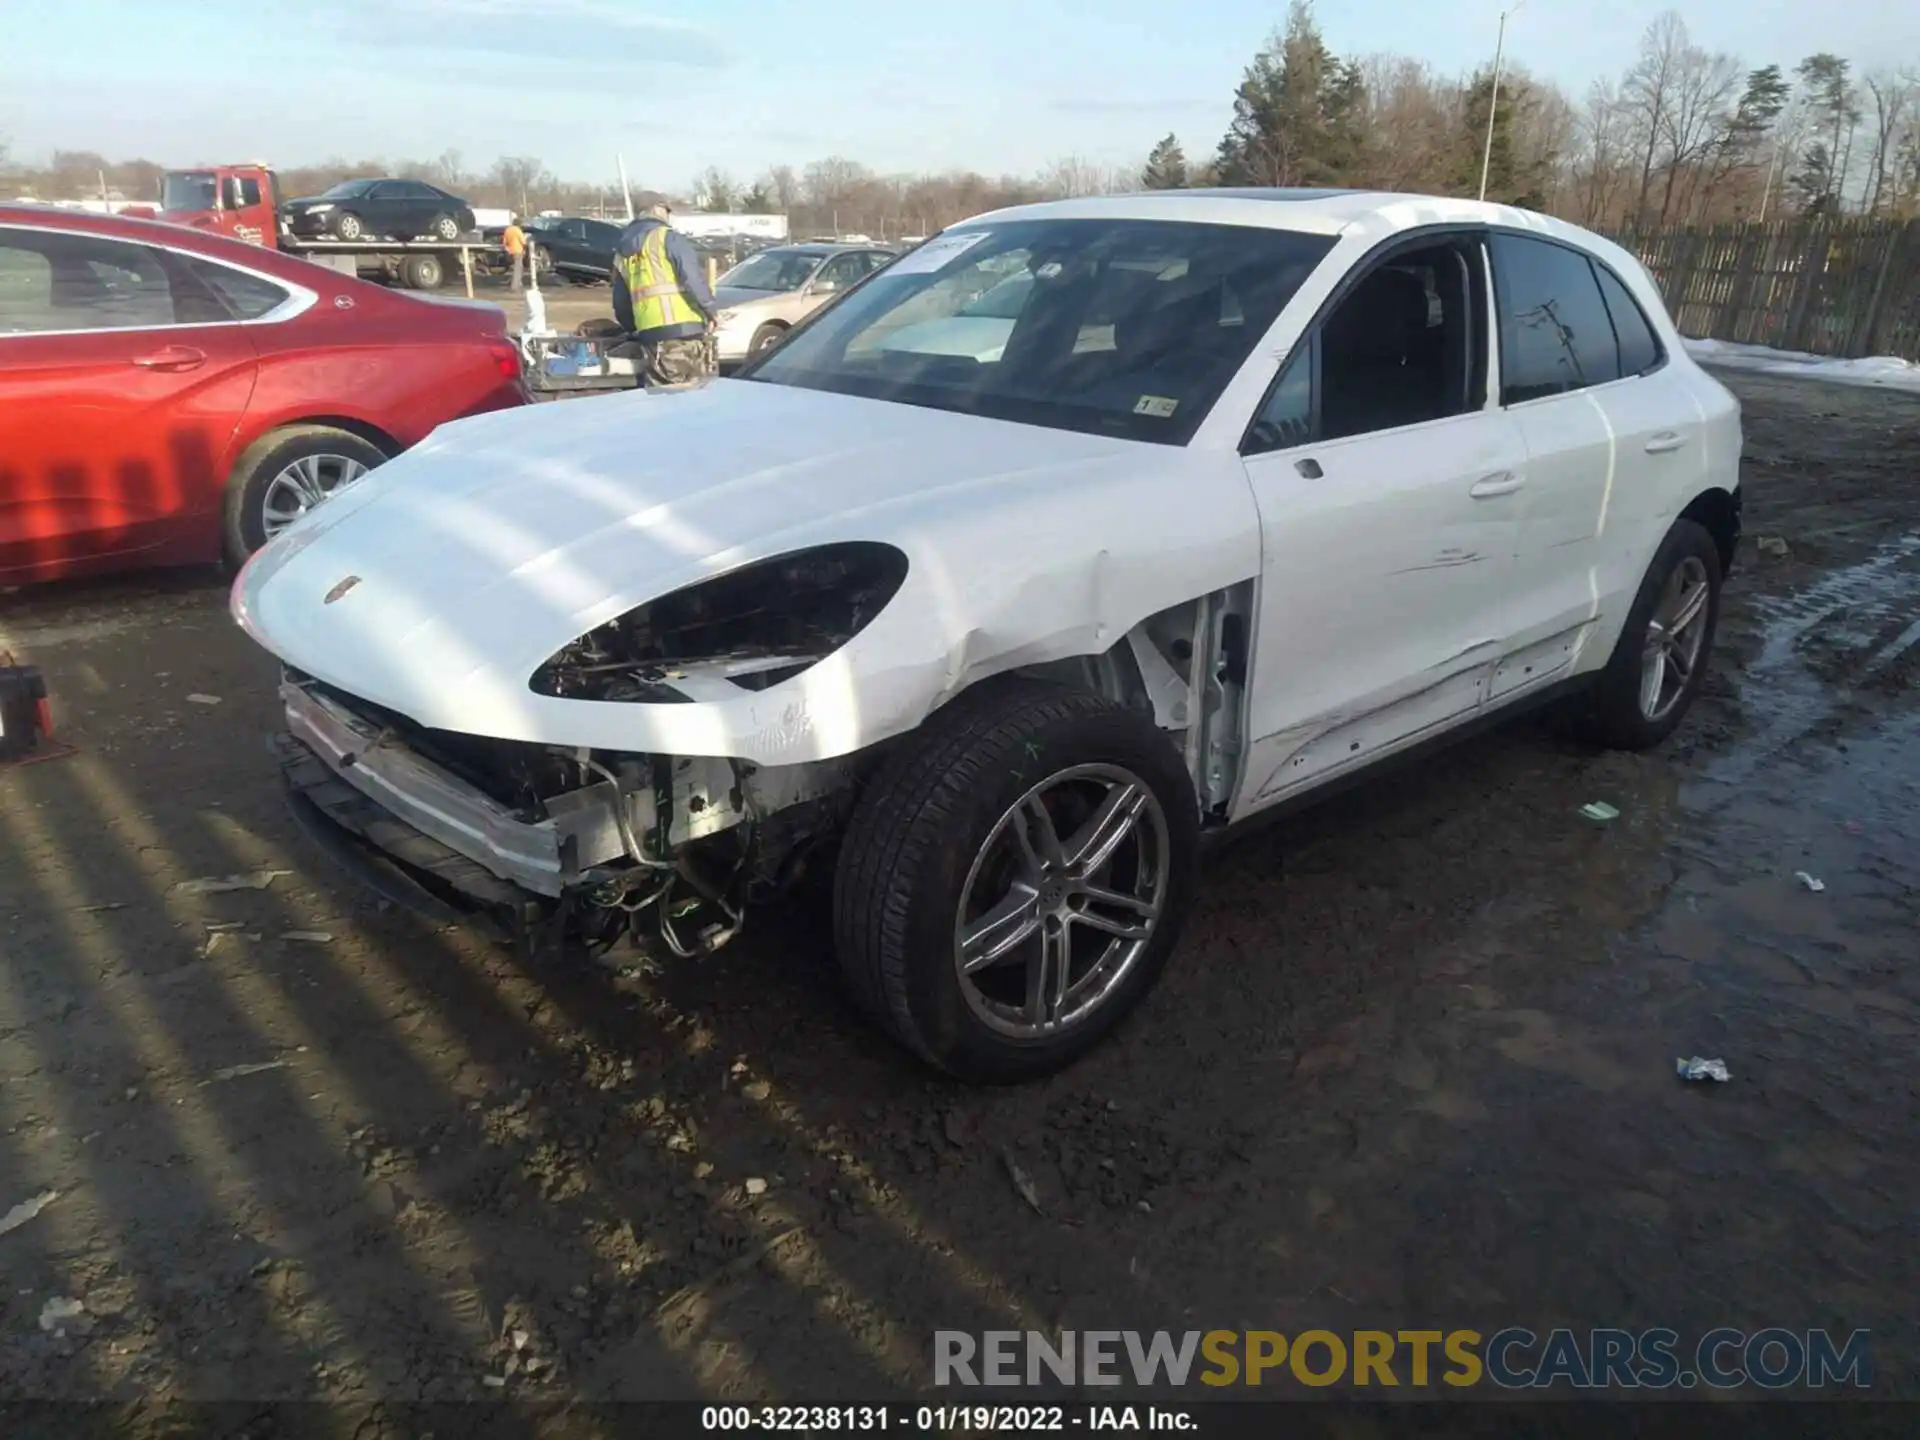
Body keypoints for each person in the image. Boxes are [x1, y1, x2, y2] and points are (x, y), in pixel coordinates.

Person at [611, 191, 719, 386]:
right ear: (658, 209)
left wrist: (634, 330)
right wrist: (711, 310)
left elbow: (621, 303)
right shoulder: (668, 238)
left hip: (651, 337)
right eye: (667, 211)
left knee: (662, 400)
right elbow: (692, 278)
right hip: (684, 332)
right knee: (691, 401)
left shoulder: (621, 252)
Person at [502, 216, 527, 291]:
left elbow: (504, 242)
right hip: (518, 251)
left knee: (516, 268)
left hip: (510, 251)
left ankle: (516, 283)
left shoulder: (507, 230)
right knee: (518, 269)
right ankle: (515, 286)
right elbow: (523, 242)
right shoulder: (517, 230)